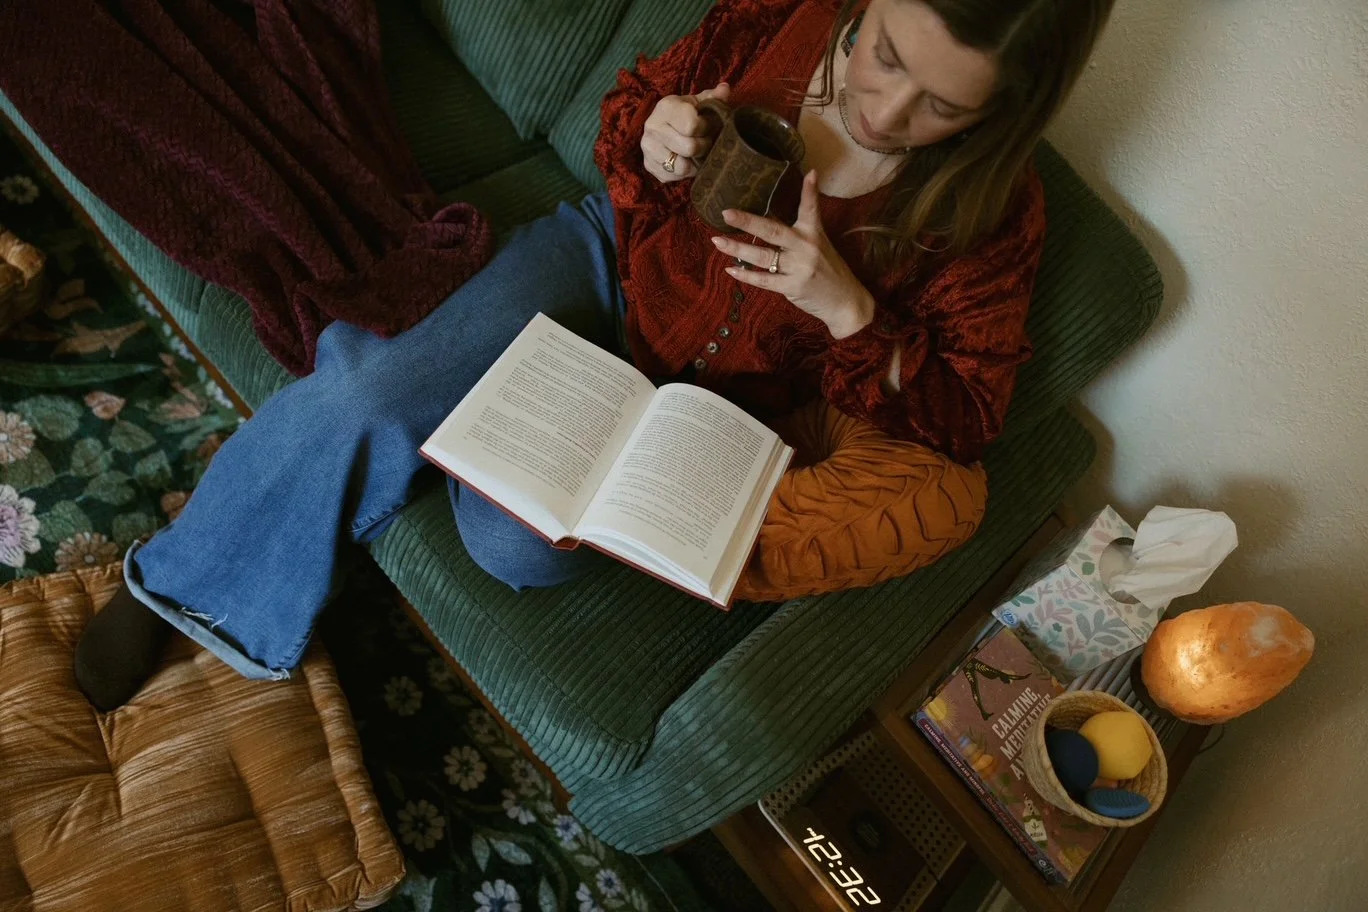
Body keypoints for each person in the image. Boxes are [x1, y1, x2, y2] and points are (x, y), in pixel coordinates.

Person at [73, 0, 1117, 711]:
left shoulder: (992, 215)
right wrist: (658, 131)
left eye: (942, 106)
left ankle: (424, 423)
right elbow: (636, 102)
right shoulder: (787, 18)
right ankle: (177, 586)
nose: (883, 108)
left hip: (722, 406)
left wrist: (850, 312)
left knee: (513, 548)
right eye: (884, 52)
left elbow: (964, 417)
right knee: (371, 388)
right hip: (605, 262)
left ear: (1004, 111)